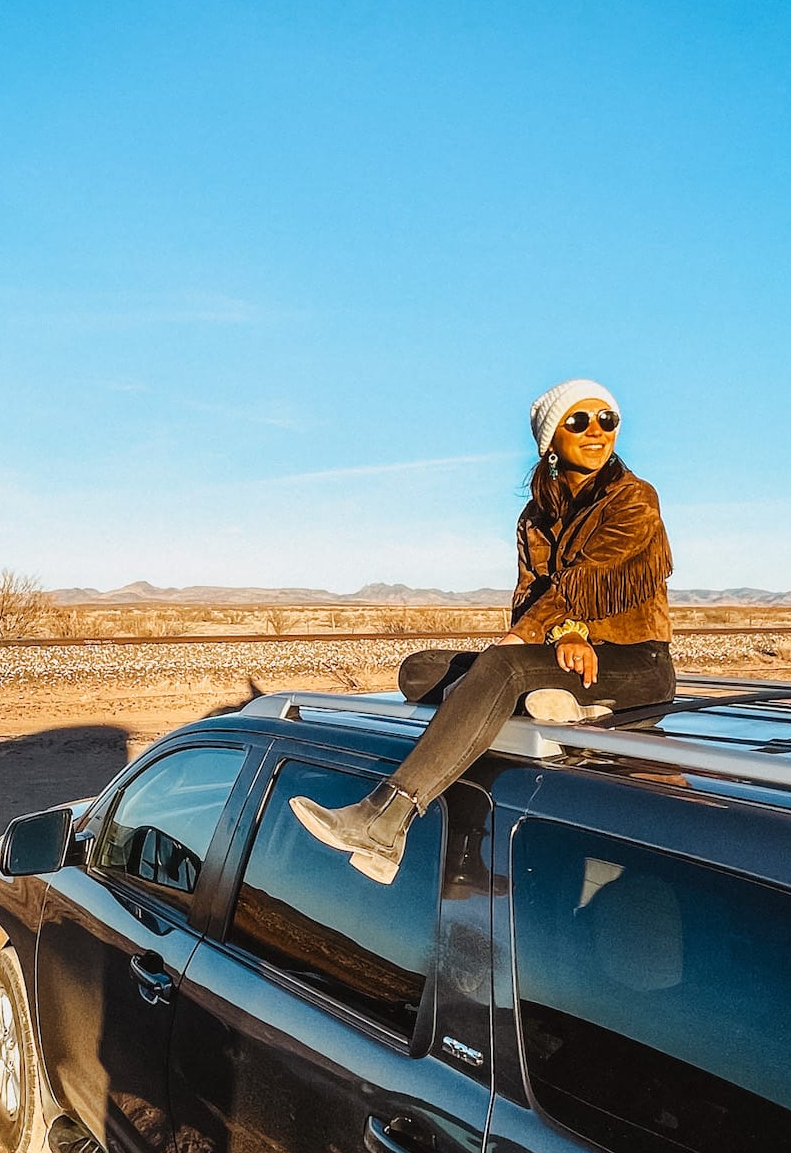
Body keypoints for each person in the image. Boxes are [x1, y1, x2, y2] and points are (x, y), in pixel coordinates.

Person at [290, 377, 676, 882]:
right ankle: (568, 708)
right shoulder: (536, 517)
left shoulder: (634, 498)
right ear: (551, 439)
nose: (597, 431)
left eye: (608, 420)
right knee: (420, 672)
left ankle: (385, 822)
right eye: (579, 420)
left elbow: (592, 576)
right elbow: (532, 596)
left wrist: (540, 635)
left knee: (501, 665)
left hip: (636, 665)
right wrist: (561, 635)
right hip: (569, 656)